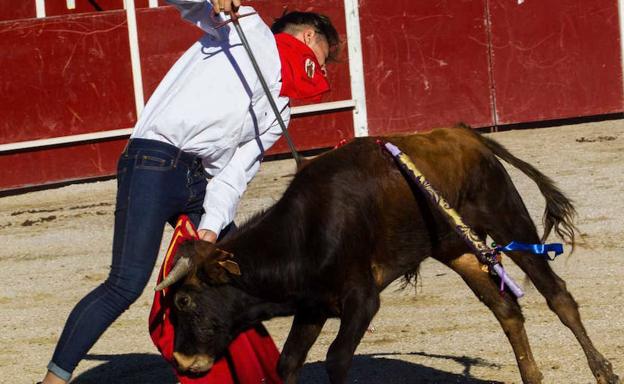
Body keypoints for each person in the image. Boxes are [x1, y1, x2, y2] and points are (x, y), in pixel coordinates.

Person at [39, 1, 339, 383]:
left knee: (231, 274)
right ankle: (52, 381)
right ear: (308, 35)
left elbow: (234, 173)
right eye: (323, 57)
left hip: (199, 182)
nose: (322, 70)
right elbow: (188, 5)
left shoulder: (281, 107)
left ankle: (239, 374)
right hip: (154, 161)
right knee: (125, 284)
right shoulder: (246, 27)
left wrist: (212, 227)